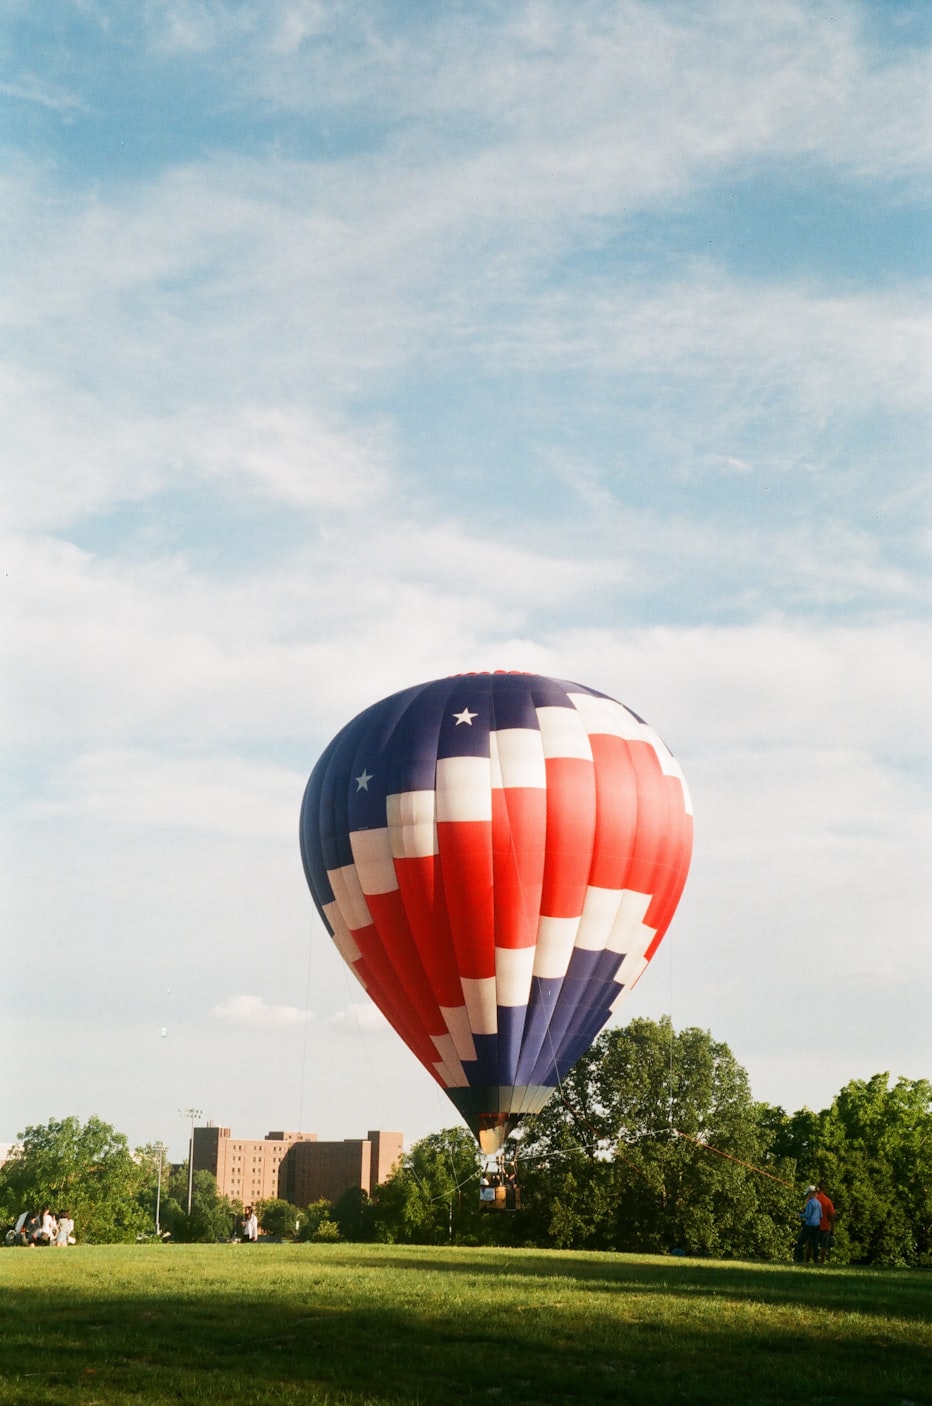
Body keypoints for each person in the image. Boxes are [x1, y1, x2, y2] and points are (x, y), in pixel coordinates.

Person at [797, 1185, 822, 1263]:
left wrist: (800, 1214)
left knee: (800, 1242)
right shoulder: (818, 1203)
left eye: (808, 1193)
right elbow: (821, 1215)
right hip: (817, 1226)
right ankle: (816, 1261)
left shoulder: (810, 1203)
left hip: (809, 1226)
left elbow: (807, 1215)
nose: (807, 1195)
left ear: (811, 1193)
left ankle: (799, 1259)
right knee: (815, 1244)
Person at [815, 1184, 836, 1264]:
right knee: (823, 1246)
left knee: (811, 1245)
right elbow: (831, 1216)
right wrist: (833, 1228)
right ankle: (821, 1262)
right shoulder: (828, 1201)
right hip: (825, 1227)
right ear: (824, 1190)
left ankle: (809, 1261)